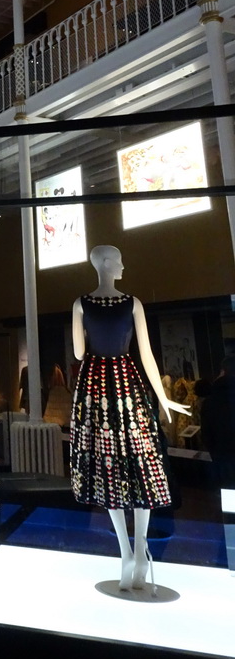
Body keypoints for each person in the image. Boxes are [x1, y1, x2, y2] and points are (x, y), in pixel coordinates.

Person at [71, 245, 190, 590]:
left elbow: (80, 352)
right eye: (119, 259)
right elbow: (146, 354)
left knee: (109, 465)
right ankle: (139, 549)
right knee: (139, 462)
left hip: (96, 387)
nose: (123, 265)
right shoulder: (133, 303)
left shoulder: (81, 303)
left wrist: (165, 397)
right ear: (107, 263)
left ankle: (126, 551)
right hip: (126, 384)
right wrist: (162, 397)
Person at [200, 355, 235, 488]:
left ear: (223, 371)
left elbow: (206, 434)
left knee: (229, 497)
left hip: (222, 459)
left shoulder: (210, 401)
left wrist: (216, 453)